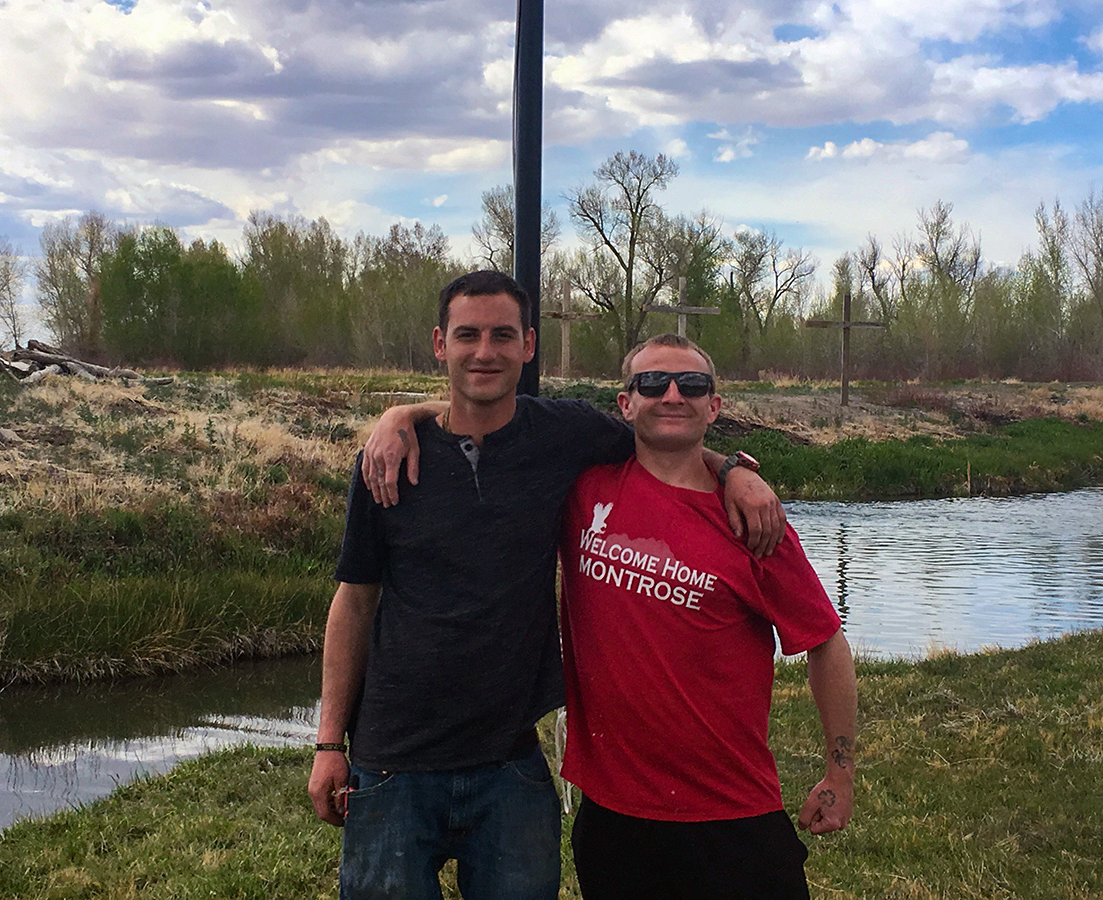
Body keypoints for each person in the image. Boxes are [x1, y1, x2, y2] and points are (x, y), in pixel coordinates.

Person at [307, 271, 787, 900]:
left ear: (529, 345)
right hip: (392, 764)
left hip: (511, 765)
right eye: (468, 335)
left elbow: (665, 439)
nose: (485, 352)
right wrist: (327, 742)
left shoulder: (563, 436)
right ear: (439, 344)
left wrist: (733, 472)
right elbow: (355, 600)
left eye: (503, 335)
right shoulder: (389, 459)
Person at [558, 333, 858, 900]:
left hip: (732, 817)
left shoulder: (755, 523)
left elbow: (825, 641)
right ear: (626, 403)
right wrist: (404, 414)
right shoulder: (583, 487)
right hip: (614, 818)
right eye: (652, 383)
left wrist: (838, 772)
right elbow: (489, 412)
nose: (672, 394)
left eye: (691, 384)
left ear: (714, 406)